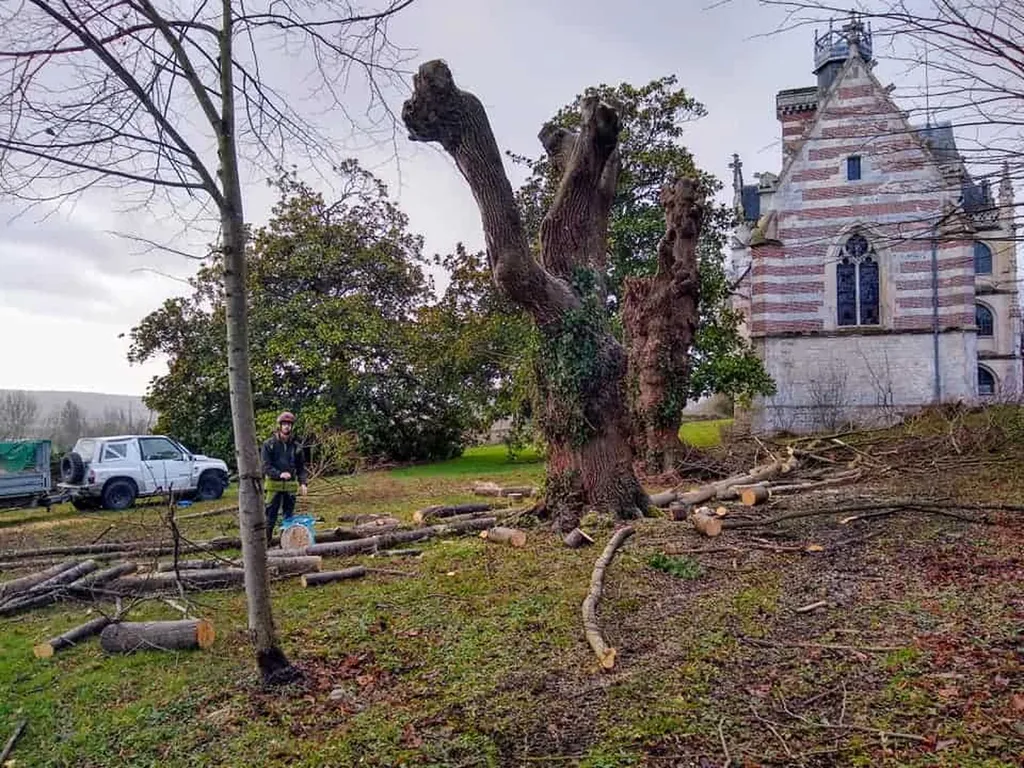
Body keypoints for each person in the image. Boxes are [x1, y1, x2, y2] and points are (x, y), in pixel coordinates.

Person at [261, 411, 308, 546]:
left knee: (288, 517)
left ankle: (285, 544)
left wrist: (303, 483)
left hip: (290, 487)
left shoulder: (297, 447)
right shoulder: (269, 444)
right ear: (279, 426)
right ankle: (266, 545)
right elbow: (265, 466)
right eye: (284, 424)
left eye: (289, 424)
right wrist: (279, 474)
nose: (287, 427)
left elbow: (301, 468)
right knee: (270, 516)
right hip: (273, 486)